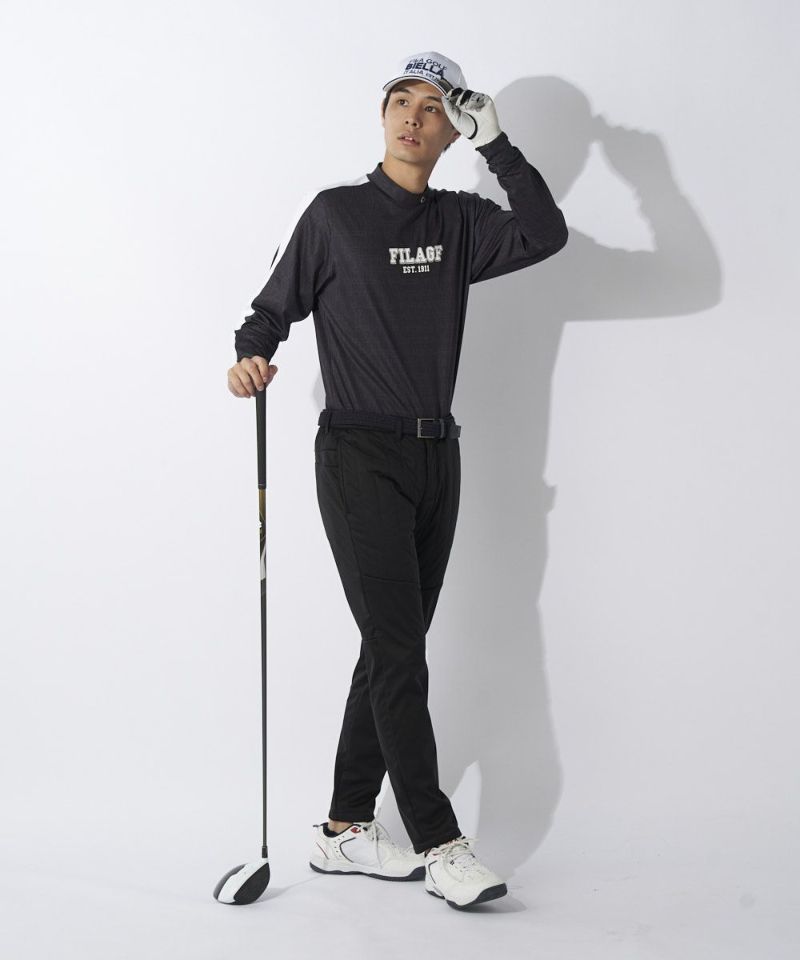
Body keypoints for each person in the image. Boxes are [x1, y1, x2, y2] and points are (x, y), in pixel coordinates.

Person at [227, 51, 568, 910]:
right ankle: (440, 842)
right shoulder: (335, 214)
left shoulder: (462, 221)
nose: (414, 117)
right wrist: (251, 356)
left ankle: (345, 828)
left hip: (436, 456)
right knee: (399, 651)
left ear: (454, 130)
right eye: (401, 101)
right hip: (358, 454)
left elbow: (544, 234)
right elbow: (270, 309)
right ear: (383, 116)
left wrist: (500, 148)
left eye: (434, 108)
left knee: (391, 644)